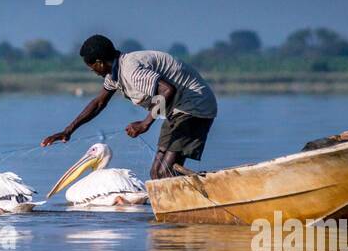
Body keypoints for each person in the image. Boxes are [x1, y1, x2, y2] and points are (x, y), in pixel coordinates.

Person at [41, 35, 217, 179]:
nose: (92, 71)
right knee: (156, 173)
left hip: (194, 107)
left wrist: (145, 123)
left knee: (165, 172)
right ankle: (174, 217)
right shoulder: (114, 75)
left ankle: (188, 209)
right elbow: (99, 103)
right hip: (178, 111)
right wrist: (68, 130)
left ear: (100, 62)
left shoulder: (130, 70)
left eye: (91, 66)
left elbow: (167, 90)